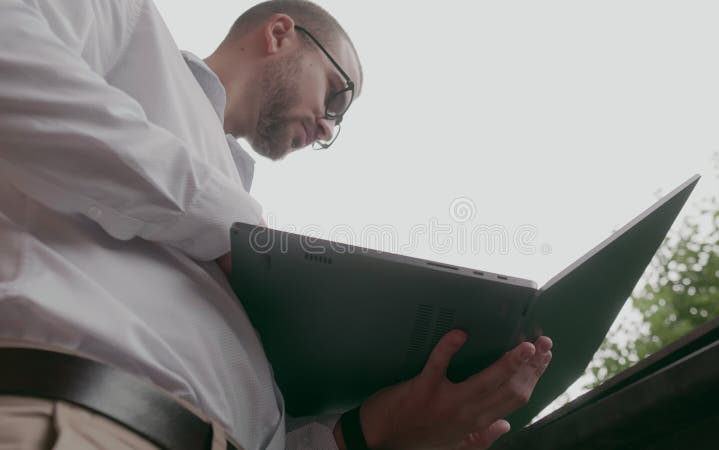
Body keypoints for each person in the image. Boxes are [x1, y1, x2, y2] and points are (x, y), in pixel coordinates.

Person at [0, 0, 553, 449]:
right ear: (280, 33)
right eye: (337, 96)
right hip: (85, 417)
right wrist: (227, 223)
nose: (326, 128)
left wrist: (374, 433)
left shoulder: (239, 219)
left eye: (337, 122)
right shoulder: (128, 24)